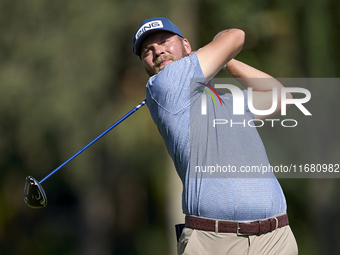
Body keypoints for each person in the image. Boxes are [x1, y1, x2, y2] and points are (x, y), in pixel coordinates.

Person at [133, 17, 298, 255]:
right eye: (148, 51)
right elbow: (235, 35)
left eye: (164, 41)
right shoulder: (163, 85)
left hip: (276, 239)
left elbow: (281, 97)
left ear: (186, 46)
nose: (158, 51)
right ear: (146, 65)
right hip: (214, 241)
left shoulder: (224, 102)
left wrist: (226, 60)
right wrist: (216, 54)